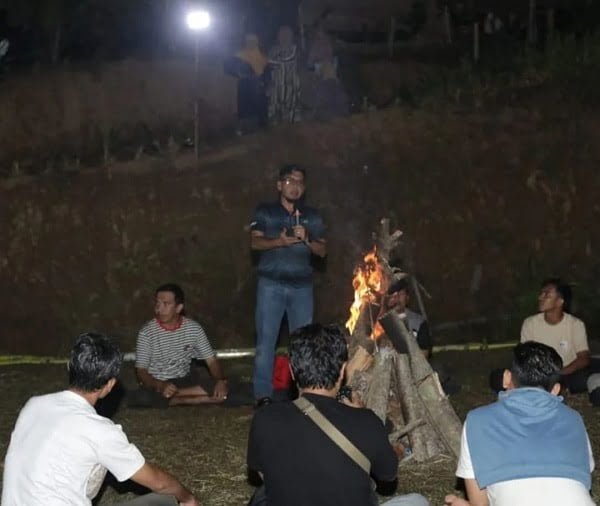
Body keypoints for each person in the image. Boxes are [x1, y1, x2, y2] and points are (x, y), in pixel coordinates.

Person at [1, 333, 199, 506]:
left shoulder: (33, 405)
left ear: (70, 366)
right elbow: (159, 482)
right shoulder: (100, 431)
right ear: (110, 384)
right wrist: (187, 497)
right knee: (164, 501)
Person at [247, 323, 430, 506]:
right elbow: (388, 474)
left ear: (292, 371)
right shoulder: (366, 421)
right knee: (418, 501)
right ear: (343, 370)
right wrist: (362, 416)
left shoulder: (264, 418)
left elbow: (264, 475)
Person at [445, 341, 595, 506]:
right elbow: (582, 483)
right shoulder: (573, 419)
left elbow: (480, 504)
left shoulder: (477, 421)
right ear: (555, 389)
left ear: (506, 378)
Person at [250, 164, 326, 406]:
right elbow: (255, 244)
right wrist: (280, 241)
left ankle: (304, 395)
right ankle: (263, 396)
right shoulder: (266, 212)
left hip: (302, 288)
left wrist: (307, 239)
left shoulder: (312, 216)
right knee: (266, 342)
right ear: (279, 184)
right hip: (271, 285)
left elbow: (322, 251)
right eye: (290, 181)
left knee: (303, 343)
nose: (295, 186)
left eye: (300, 182)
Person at [130, 283, 228, 407]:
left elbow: (211, 361)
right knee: (141, 398)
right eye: (158, 304)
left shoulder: (193, 329)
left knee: (221, 385)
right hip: (158, 382)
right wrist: (160, 385)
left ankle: (175, 397)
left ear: (178, 308)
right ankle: (194, 399)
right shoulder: (147, 332)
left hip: (184, 380)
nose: (159, 309)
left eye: (165, 304)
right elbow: (141, 371)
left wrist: (220, 381)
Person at [226, 33, 268, 134]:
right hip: (245, 85)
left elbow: (266, 72)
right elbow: (228, 68)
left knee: (259, 109)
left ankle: (260, 129)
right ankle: (244, 130)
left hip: (258, 86)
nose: (251, 44)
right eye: (249, 41)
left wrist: (265, 82)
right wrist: (239, 73)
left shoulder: (262, 56)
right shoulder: (239, 55)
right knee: (244, 109)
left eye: (253, 41)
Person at [382, 278, 432, 358]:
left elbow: (424, 352)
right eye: (392, 295)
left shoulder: (418, 323)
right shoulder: (377, 325)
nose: (396, 298)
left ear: (407, 297)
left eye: (401, 294)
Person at [267, 25, 301, 125]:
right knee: (275, 114)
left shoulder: (295, 50)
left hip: (292, 86)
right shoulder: (273, 50)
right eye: (282, 34)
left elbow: (298, 65)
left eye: (287, 34)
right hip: (277, 85)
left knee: (292, 112)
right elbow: (269, 66)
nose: (284, 37)